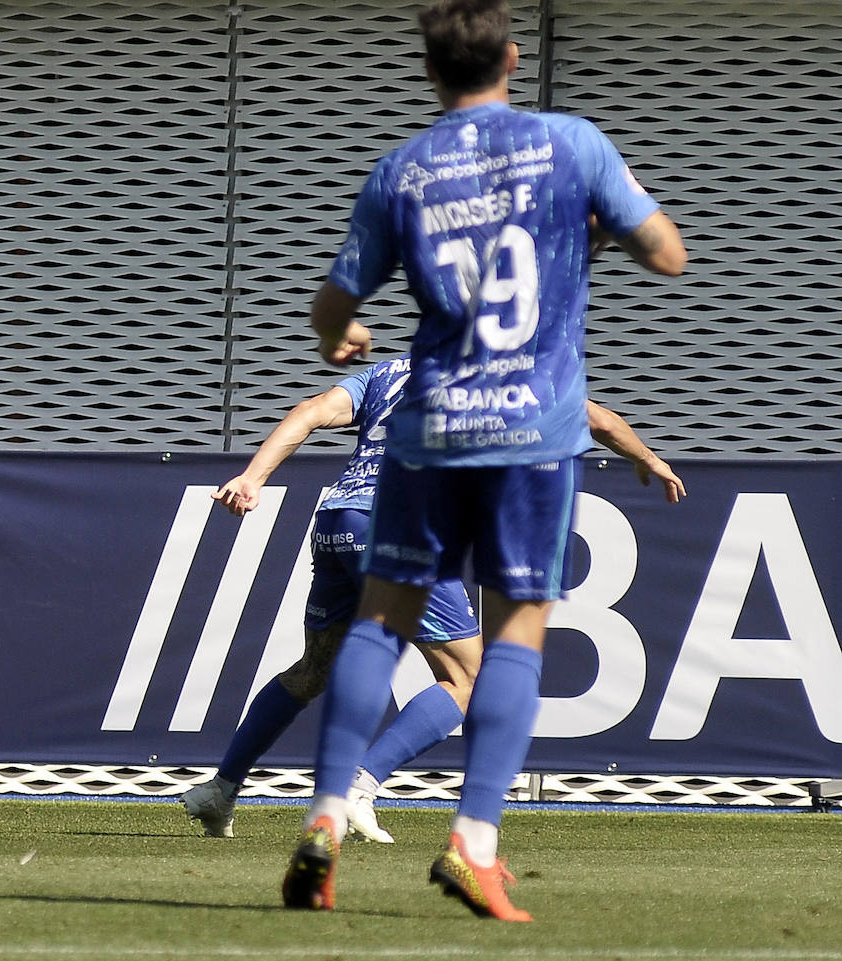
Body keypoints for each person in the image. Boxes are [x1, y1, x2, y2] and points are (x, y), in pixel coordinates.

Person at [280, 0, 686, 920]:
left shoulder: (404, 169)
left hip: (428, 424)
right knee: (513, 638)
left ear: (430, 73)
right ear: (512, 56)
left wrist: (345, 337)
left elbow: (331, 307)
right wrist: (592, 235)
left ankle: (327, 815)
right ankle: (473, 843)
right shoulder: (574, 144)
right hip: (531, 430)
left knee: (381, 625)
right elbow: (668, 254)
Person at [181, 357, 684, 842]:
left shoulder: (392, 370)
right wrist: (652, 461)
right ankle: (360, 787)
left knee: (314, 669)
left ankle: (220, 789)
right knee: (467, 677)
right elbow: (598, 420)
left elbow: (310, 411)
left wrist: (254, 476)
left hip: (339, 520)